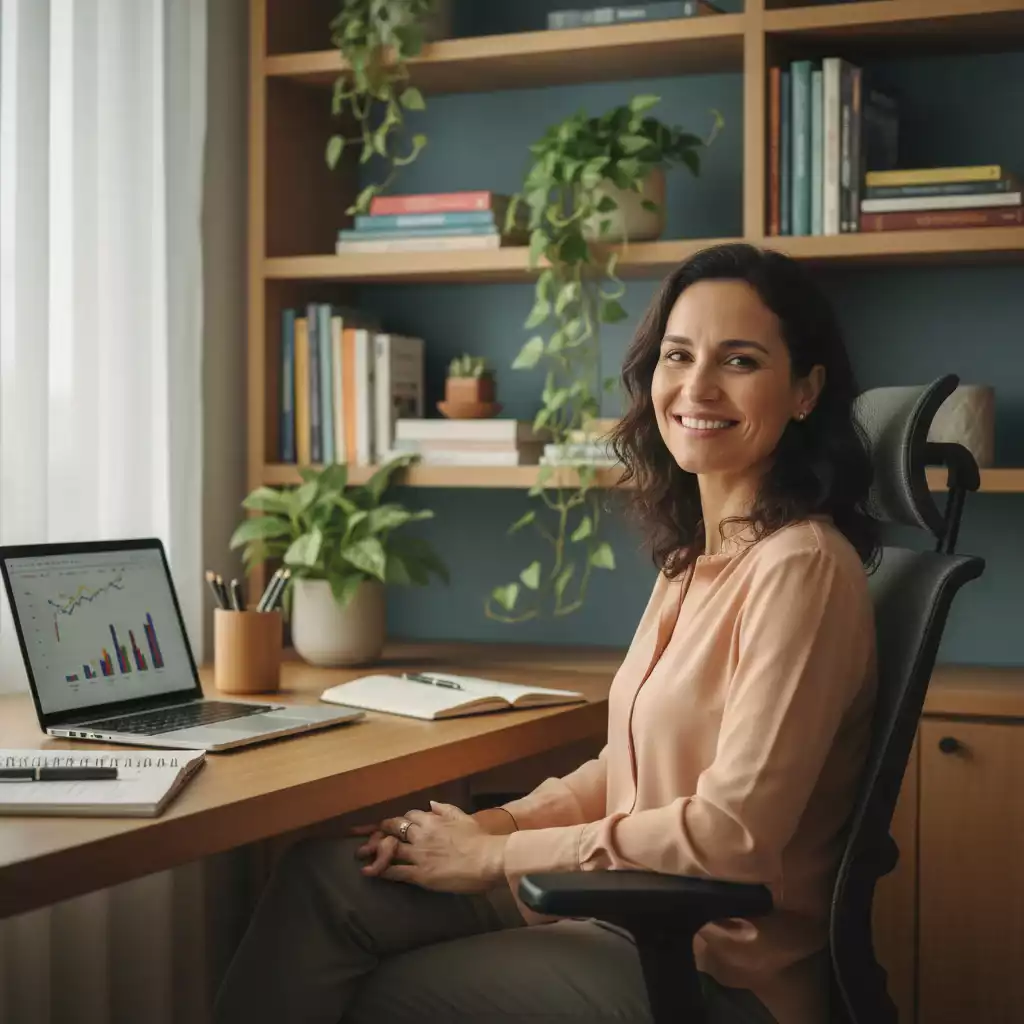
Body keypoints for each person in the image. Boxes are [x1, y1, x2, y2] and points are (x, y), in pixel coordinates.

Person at [213, 242, 880, 1024]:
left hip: (712, 966)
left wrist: (495, 858)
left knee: (388, 992)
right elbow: (623, 770)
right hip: (621, 904)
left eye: (739, 360)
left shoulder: (799, 568)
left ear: (804, 390)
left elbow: (730, 835)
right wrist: (486, 826)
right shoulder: (693, 562)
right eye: (678, 355)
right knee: (323, 878)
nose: (697, 386)